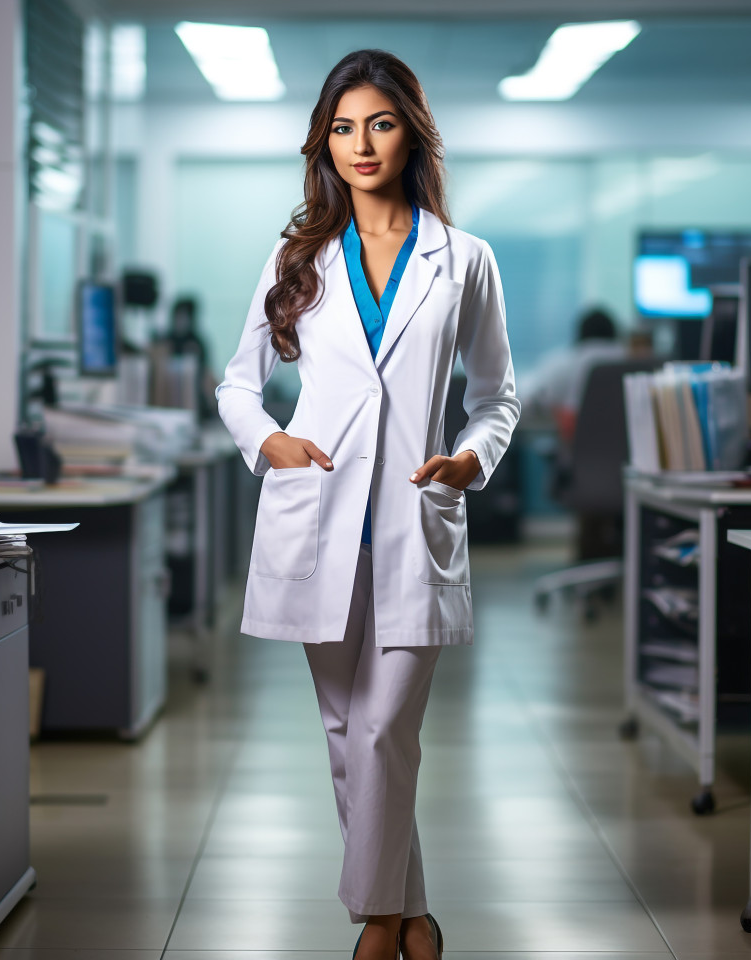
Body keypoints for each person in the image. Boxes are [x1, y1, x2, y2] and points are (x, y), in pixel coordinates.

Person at [215, 49, 520, 960]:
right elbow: (237, 384)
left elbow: (498, 396)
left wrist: (471, 459)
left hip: (415, 519)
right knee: (349, 731)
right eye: (342, 127)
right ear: (325, 141)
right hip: (316, 514)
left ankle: (376, 927)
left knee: (386, 727)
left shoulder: (463, 258)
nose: (360, 143)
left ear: (410, 134)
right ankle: (415, 915)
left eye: (379, 123)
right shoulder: (295, 255)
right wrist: (265, 440)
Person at [519, 306, 626, 442]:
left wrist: (555, 410)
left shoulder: (563, 363)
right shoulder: (627, 359)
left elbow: (570, 423)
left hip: (580, 452)